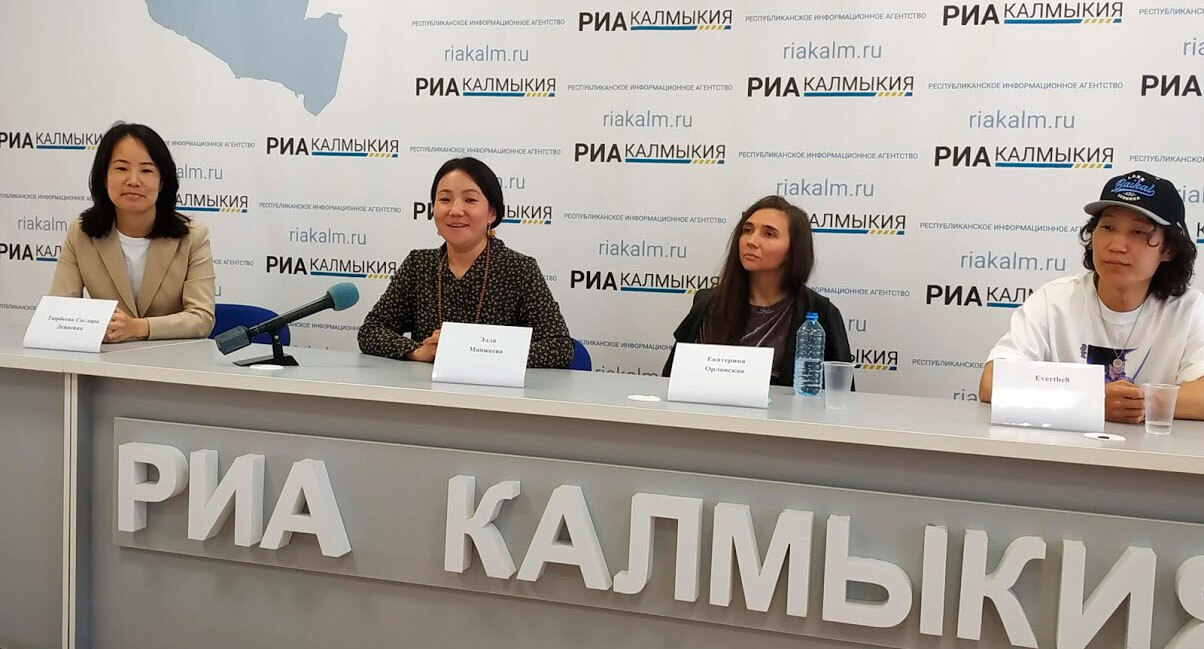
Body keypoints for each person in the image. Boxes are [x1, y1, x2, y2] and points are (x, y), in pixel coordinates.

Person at [979, 170, 1204, 422]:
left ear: (1169, 248)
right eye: (1107, 227)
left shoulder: (1190, 309)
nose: (1116, 245)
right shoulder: (1055, 300)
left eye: (1138, 232)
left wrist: (1134, 403)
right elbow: (991, 382)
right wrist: (1092, 400)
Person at [359, 157, 573, 367]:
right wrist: (417, 352)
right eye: (445, 200)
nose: (455, 211)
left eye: (470, 200)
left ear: (492, 213)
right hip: (426, 388)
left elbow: (559, 347)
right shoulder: (419, 265)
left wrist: (475, 350)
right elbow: (371, 330)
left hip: (493, 388)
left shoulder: (519, 269)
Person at [48, 122, 215, 341]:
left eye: (146, 170)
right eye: (121, 168)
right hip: (107, 356)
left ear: (162, 181)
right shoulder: (81, 233)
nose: (133, 181)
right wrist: (92, 327)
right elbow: (59, 310)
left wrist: (138, 327)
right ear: (104, 177)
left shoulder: (193, 236)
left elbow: (202, 318)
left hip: (171, 356)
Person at [662, 195, 852, 385]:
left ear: (794, 249)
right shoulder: (708, 303)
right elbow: (671, 378)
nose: (751, 241)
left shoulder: (820, 312)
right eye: (747, 230)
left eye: (769, 234)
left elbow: (841, 393)